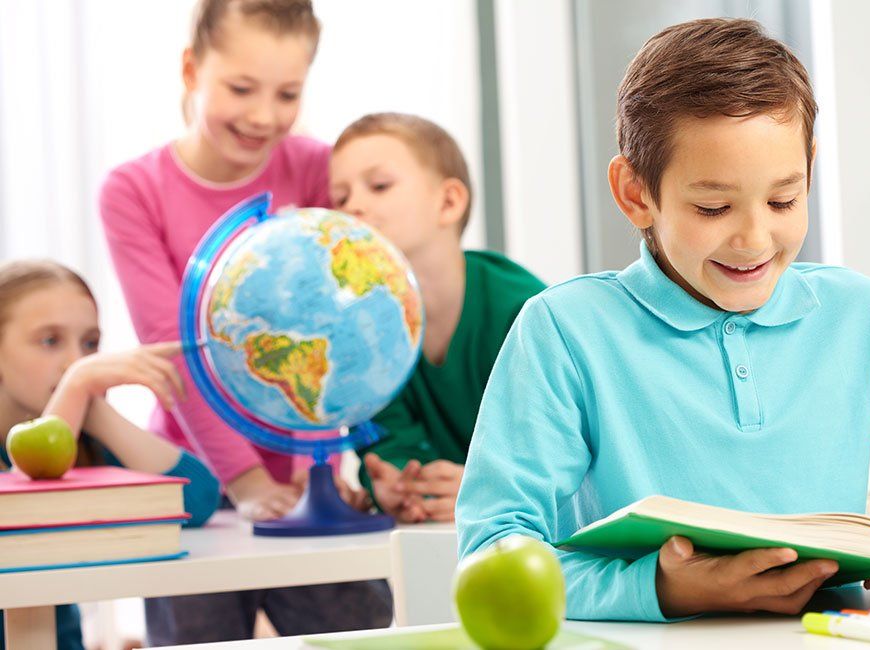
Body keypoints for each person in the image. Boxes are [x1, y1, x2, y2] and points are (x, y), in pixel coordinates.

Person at [455, 18, 870, 622]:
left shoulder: (867, 316)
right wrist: (665, 589)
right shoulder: (564, 331)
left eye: (783, 200)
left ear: (810, 171)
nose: (753, 238)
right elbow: (489, 556)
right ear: (636, 194)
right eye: (713, 207)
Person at [99, 0, 391, 643]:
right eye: (240, 88)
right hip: (193, 483)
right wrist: (246, 479)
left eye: (287, 93)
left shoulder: (319, 166)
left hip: (310, 478)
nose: (264, 115)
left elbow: (361, 316)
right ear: (190, 68)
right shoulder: (133, 191)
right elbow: (174, 351)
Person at [328, 113, 545, 522]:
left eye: (379, 186)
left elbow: (563, 453)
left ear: (448, 202)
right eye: (340, 198)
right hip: (433, 542)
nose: (352, 207)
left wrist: (491, 488)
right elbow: (387, 444)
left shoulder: (525, 311)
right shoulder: (360, 335)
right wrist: (392, 485)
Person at [0, 259, 220, 650]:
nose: (75, 360)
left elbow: (199, 501)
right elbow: (23, 508)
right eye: (49, 341)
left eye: (89, 344)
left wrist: (95, 410)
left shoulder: (85, 443)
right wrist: (78, 384)